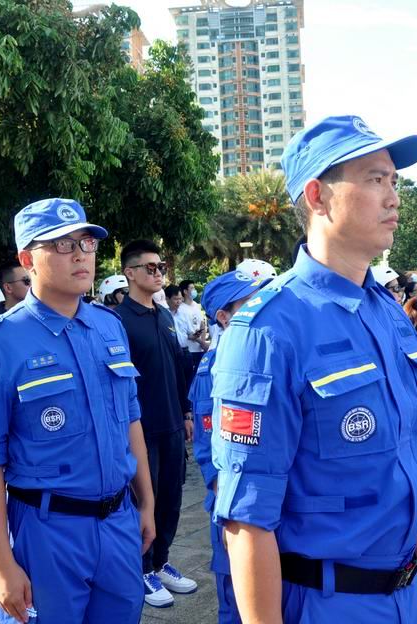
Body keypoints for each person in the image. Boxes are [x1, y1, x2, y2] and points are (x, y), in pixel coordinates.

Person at [210, 115, 417, 623]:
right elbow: (247, 517)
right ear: (318, 196)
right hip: (328, 603)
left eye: (394, 181)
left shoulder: (386, 312)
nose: (393, 197)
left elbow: (413, 460)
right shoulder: (268, 330)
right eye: (374, 179)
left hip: (406, 595)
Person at [0, 198, 156, 622]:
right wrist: (0, 563)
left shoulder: (108, 325)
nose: (81, 254)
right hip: (48, 529)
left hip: (118, 520)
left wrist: (147, 502)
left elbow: (131, 418)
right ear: (28, 259)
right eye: (62, 245)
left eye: (86, 242)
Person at [116, 239, 197, 607]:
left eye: (161, 266)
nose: (158, 273)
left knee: (171, 499)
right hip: (141, 428)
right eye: (149, 267)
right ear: (129, 273)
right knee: (142, 501)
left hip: (172, 424)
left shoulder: (165, 316)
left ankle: (161, 561)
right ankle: (142, 567)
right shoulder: (118, 321)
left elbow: (179, 367)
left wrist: (185, 412)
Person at [189, 270, 266, 624]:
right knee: (237, 602)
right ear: (224, 316)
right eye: (251, 301)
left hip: (262, 503)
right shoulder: (214, 368)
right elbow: (210, 454)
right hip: (236, 507)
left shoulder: (257, 352)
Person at [177, 279, 209, 381]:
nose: (194, 290)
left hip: (200, 348)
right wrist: (201, 342)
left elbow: (201, 323)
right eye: (192, 288)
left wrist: (203, 342)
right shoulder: (181, 309)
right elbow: (186, 331)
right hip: (189, 350)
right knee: (190, 379)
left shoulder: (195, 305)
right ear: (185, 291)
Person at [164, 285, 189, 349]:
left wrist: (194, 335)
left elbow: (187, 333)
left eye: (180, 299)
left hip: (185, 350)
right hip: (170, 351)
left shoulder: (183, 313)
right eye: (175, 299)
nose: (179, 302)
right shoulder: (162, 315)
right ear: (167, 299)